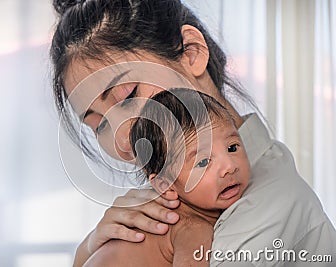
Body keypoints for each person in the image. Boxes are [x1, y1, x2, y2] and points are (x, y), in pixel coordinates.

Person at [50, 0, 336, 266]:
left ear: (191, 53)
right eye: (99, 124)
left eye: (128, 95)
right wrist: (90, 249)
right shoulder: (169, 203)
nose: (123, 141)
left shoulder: (266, 206)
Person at [83, 88, 251, 266]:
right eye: (202, 162)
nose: (229, 167)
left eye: (232, 148)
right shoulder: (192, 228)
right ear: (166, 185)